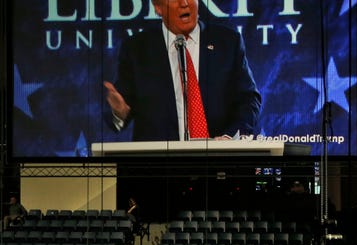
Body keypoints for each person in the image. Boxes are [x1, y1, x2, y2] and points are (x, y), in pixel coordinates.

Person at [103, 0, 260, 141]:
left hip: (217, 162)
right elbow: (120, 110)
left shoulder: (227, 42)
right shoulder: (137, 49)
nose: (184, 3)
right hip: (160, 166)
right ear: (158, 7)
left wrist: (229, 137)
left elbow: (248, 100)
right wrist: (119, 113)